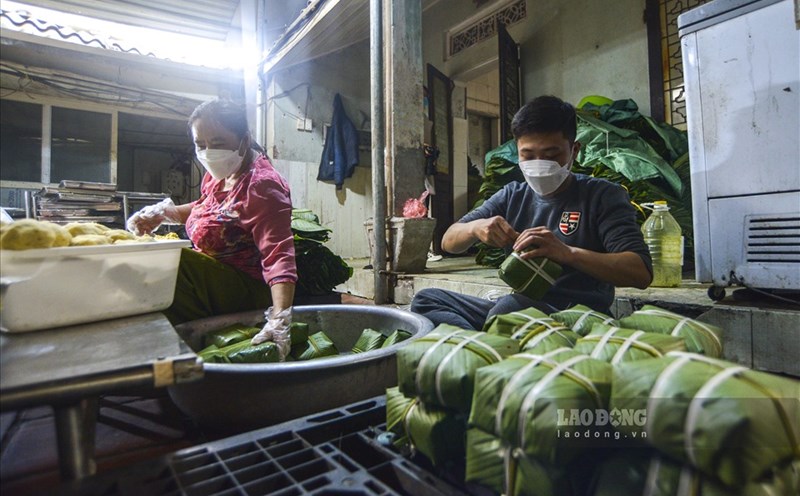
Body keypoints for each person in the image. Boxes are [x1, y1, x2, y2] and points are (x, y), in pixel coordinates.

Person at [411, 95, 652, 330]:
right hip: (520, 310)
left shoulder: (602, 195)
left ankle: (488, 339)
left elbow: (640, 272)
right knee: (426, 300)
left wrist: (568, 253)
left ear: (574, 151)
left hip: (577, 316)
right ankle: (493, 337)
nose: (539, 164)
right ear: (517, 152)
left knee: (508, 309)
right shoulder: (512, 195)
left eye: (552, 155)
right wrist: (476, 228)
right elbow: (449, 242)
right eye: (528, 155)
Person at [127, 98, 297, 340]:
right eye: (200, 145)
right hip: (213, 282)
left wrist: (280, 318)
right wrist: (166, 213)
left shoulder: (262, 186)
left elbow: (278, 254)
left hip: (245, 288)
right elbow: (208, 207)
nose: (208, 153)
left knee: (172, 260)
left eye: (217, 143)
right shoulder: (219, 175)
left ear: (244, 141)